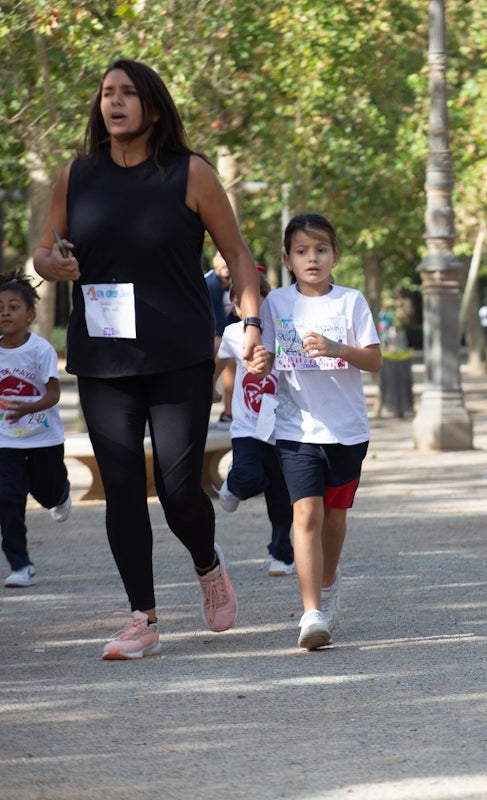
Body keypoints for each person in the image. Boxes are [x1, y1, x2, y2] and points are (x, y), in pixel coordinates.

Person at [32, 59, 267, 660]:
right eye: (107, 93)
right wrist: (50, 264)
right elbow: (45, 249)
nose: (113, 103)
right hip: (103, 354)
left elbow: (236, 254)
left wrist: (251, 325)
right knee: (121, 488)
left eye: (127, 94)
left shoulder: (190, 174)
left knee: (181, 486)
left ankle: (208, 565)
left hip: (178, 351)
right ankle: (143, 618)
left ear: (154, 108)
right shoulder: (76, 175)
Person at [260, 213, 382, 650]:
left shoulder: (351, 302)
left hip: (347, 430)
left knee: (334, 517)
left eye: (321, 250)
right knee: (306, 515)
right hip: (296, 429)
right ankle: (311, 613)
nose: (312, 258)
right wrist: (260, 362)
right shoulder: (275, 303)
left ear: (335, 256)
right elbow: (268, 356)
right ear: (288, 259)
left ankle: (328, 583)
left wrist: (338, 349)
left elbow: (374, 360)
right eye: (301, 251)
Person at [215, 268, 295, 577]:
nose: (250, 309)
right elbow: (221, 358)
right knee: (251, 478)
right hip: (248, 427)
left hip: (283, 427)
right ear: (235, 308)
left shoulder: (284, 330)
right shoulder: (235, 333)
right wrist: (212, 386)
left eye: (258, 300)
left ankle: (281, 555)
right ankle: (233, 486)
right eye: (240, 304)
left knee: (281, 496)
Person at [0, 271, 72, 589]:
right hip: (6, 441)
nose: (4, 312)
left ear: (29, 315)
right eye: (0, 307)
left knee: (46, 494)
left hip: (44, 437)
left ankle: (61, 492)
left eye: (13, 306)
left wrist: (26, 408)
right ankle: (21, 564)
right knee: (9, 499)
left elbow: (53, 394)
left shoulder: (40, 350)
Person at [207, 252, 239, 423]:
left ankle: (229, 411)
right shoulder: (211, 283)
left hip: (218, 334)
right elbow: (219, 323)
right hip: (199, 335)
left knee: (232, 351)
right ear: (214, 261)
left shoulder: (232, 285)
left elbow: (234, 318)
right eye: (221, 258)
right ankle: (209, 386)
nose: (226, 263)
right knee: (227, 346)